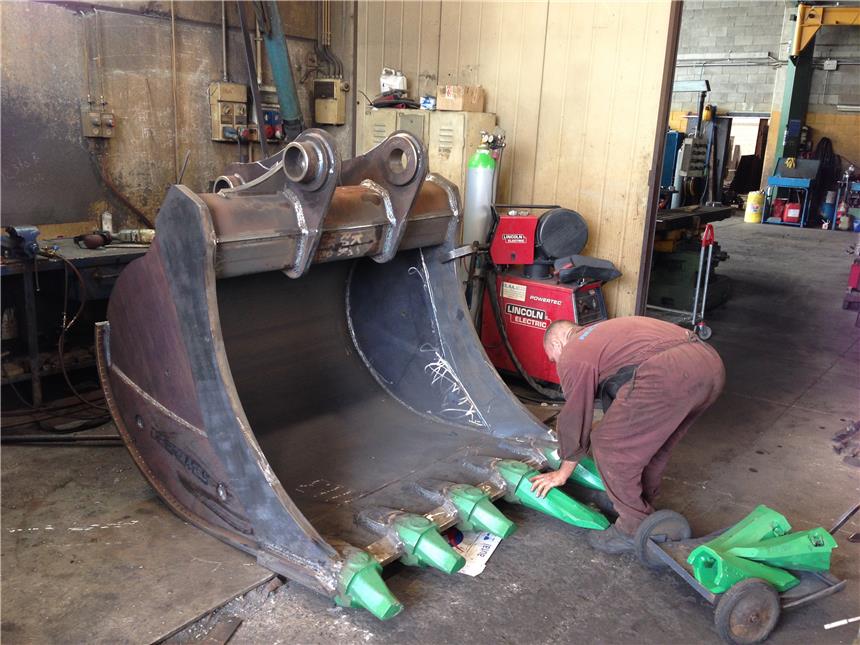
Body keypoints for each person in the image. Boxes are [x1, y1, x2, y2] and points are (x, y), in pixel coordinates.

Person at [528, 316, 725, 553]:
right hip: (708, 364)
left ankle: (632, 528)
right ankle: (642, 505)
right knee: (651, 445)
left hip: (669, 370)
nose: (556, 364)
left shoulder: (573, 350)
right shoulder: (603, 332)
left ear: (557, 344)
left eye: (553, 358)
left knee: (609, 445)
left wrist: (563, 472)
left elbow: (575, 415)